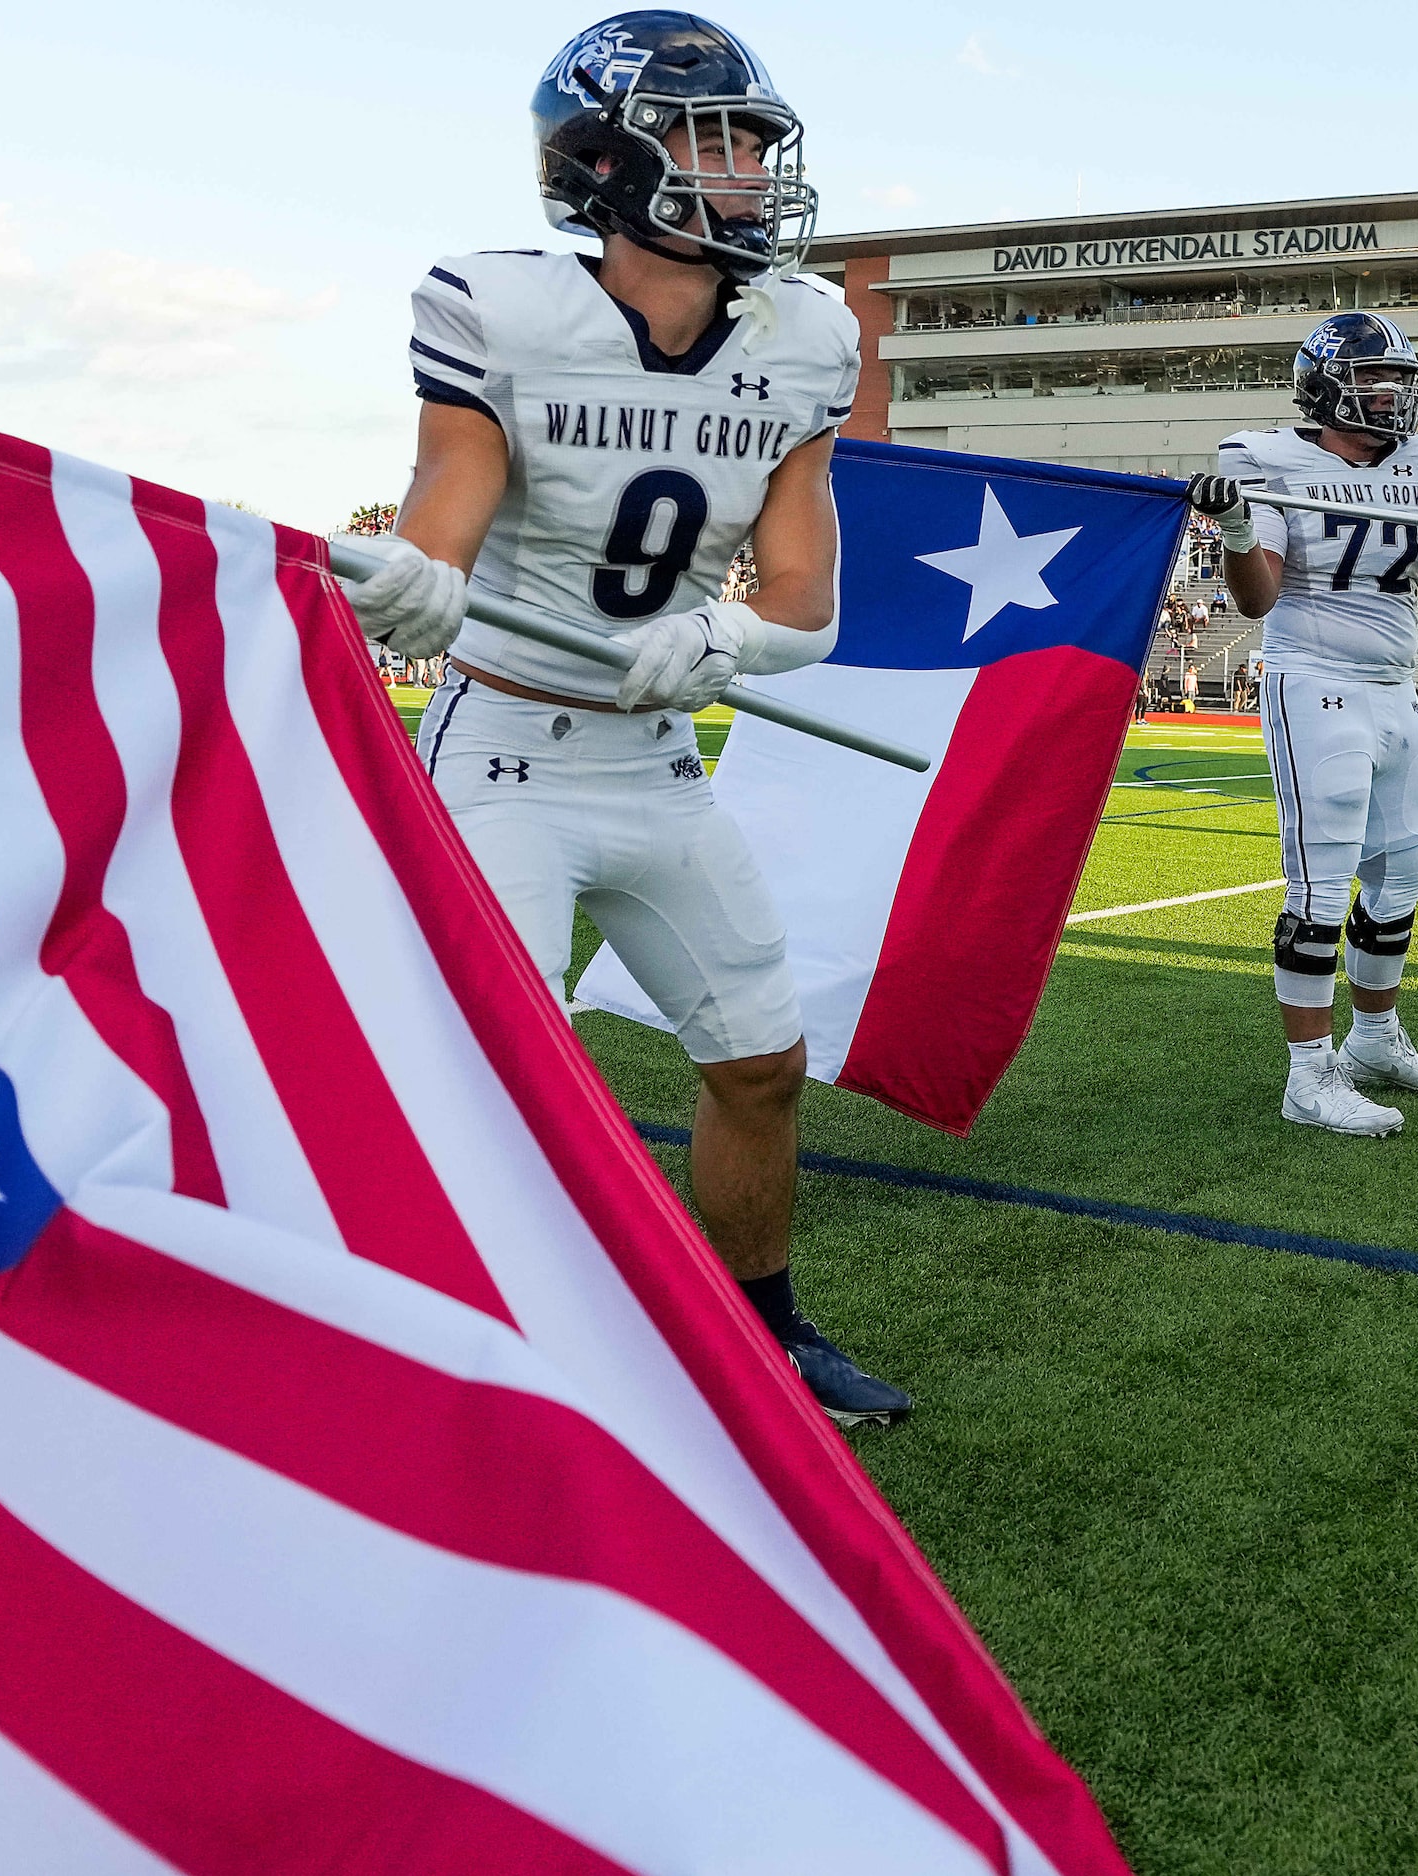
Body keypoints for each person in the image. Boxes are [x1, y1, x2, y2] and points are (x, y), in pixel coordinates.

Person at [341, 12, 907, 1425]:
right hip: (504, 749)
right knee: (488, 1086)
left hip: (655, 764)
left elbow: (803, 602)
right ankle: (471, 1354)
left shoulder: (804, 336)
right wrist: (417, 585)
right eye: (721, 139)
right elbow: (443, 531)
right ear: (606, 158)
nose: (753, 174)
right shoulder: (503, 306)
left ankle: (760, 1333)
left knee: (763, 1065)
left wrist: (723, 636)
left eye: (757, 144)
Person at [1184, 311, 1418, 1137]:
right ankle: (1308, 1076)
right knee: (1322, 886)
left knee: (1399, 876)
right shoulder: (1263, 457)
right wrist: (1231, 529)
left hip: (1397, 687)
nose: (1390, 397)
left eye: (1399, 383)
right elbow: (1256, 599)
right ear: (1326, 387)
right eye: (1374, 380)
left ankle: (1374, 1041)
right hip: (1314, 680)